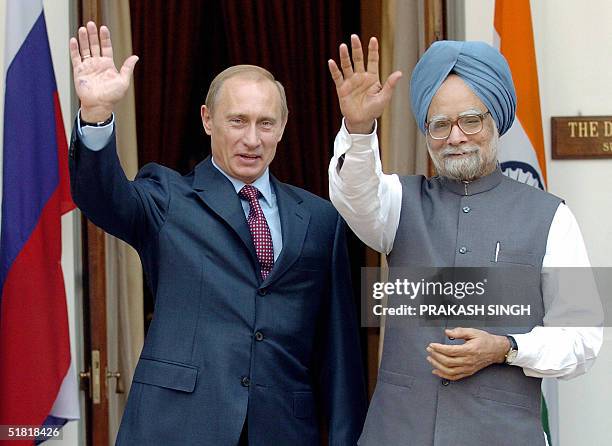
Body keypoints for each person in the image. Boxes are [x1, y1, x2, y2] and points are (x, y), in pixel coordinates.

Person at [69, 22, 366, 445]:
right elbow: (102, 197)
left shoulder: (320, 219)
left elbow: (339, 355)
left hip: (283, 429)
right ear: (208, 120)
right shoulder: (167, 198)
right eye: (237, 121)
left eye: (265, 123)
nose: (251, 139)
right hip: (178, 426)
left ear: (283, 126)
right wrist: (96, 115)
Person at [327, 35, 603, 445]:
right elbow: (354, 194)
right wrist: (360, 128)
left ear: (496, 122)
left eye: (470, 120)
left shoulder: (553, 217)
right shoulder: (398, 201)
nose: (455, 137)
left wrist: (506, 347)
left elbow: (584, 338)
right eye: (439, 124)